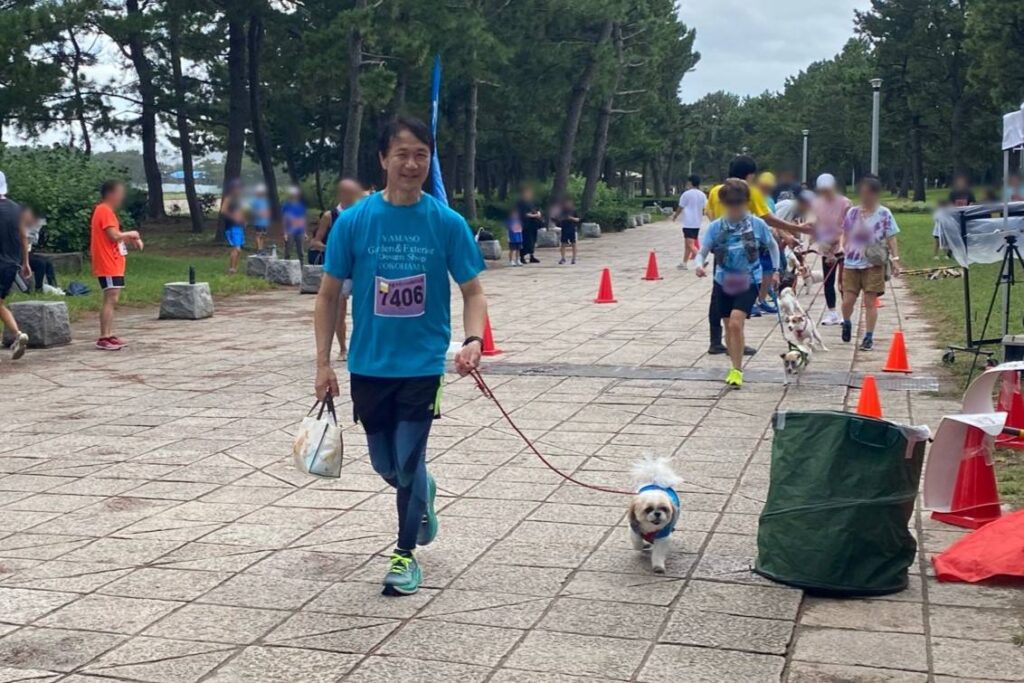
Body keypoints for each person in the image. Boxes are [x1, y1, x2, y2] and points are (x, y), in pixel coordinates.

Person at [314, 117, 488, 597]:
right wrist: (323, 363)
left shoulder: (446, 223)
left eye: (421, 155)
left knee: (408, 465)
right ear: (382, 159)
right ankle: (423, 492)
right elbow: (328, 297)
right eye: (402, 154)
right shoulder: (354, 222)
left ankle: (404, 554)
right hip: (369, 365)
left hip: (422, 366)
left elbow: (473, 291)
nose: (412, 164)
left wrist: (473, 340)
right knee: (384, 465)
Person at [704, 156, 805, 355]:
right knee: (740, 300)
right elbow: (767, 219)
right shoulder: (749, 192)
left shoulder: (716, 191)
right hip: (746, 255)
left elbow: (710, 213)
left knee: (719, 296)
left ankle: (718, 340)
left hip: (722, 250)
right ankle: (736, 341)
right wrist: (795, 229)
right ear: (750, 175)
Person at [695, 178, 779, 388]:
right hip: (723, 280)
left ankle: (738, 369)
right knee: (729, 327)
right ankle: (734, 366)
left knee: (735, 322)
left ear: (745, 203)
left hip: (748, 279)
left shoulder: (757, 225)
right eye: (730, 204)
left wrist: (775, 271)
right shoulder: (716, 227)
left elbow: (773, 247)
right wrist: (699, 264)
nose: (734, 209)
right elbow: (703, 251)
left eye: (738, 204)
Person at [840, 174, 901, 350]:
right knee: (847, 301)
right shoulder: (852, 212)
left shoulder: (884, 214)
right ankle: (846, 322)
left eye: (867, 192)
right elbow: (845, 233)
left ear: (874, 194)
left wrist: (895, 260)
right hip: (851, 263)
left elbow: (892, 237)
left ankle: (868, 336)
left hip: (873, 263)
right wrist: (842, 248)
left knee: (870, 301)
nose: (864, 196)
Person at [311, 178, 363, 360]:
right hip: (341, 271)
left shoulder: (363, 213)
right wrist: (334, 249)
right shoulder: (330, 216)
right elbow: (316, 241)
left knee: (366, 309)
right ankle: (343, 348)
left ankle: (363, 345)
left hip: (361, 269)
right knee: (339, 309)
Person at [90, 180, 143, 351]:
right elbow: (113, 235)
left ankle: (109, 334)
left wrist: (129, 238)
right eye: (120, 193)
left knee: (113, 298)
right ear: (111, 194)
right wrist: (132, 233)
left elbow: (115, 236)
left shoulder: (107, 211)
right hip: (108, 262)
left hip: (113, 261)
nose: (122, 197)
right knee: (110, 297)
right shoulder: (104, 210)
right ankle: (104, 336)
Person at [808, 173, 850, 326]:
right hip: (826, 244)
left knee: (844, 281)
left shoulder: (845, 203)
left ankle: (847, 312)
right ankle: (832, 311)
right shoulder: (817, 203)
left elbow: (849, 224)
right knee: (828, 280)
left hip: (843, 244)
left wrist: (842, 244)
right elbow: (814, 220)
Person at [0, 172, 30, 359]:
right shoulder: (16, 209)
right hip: (11, 264)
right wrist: (25, 263)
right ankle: (18, 335)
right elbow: (24, 236)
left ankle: (18, 334)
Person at [672, 175, 706, 269]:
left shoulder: (686, 194)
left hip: (688, 222)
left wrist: (675, 215)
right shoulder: (702, 195)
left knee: (690, 244)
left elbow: (680, 207)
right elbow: (705, 208)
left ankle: (702, 259)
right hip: (697, 222)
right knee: (687, 244)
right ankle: (684, 263)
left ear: (690, 183)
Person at [21, 208, 58, 292]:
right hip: (17, 255)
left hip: (28, 253)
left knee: (48, 262)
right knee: (40, 264)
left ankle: (53, 287)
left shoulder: (33, 231)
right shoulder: (21, 227)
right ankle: (39, 288)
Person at [220, 180, 245, 274]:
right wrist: (233, 216)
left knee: (239, 250)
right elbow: (223, 211)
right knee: (236, 248)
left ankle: (234, 267)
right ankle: (232, 269)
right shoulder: (229, 198)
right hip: (231, 226)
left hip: (239, 226)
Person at [516, 186, 543, 264]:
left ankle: (532, 256)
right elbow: (523, 214)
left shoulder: (531, 202)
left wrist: (538, 213)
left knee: (533, 240)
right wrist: (534, 215)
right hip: (525, 224)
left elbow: (536, 209)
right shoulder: (520, 202)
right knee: (526, 241)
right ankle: (522, 257)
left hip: (533, 224)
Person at [282, 187, 307, 262]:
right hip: (290, 231)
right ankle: (285, 267)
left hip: (300, 231)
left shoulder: (301, 206)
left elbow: (303, 219)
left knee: (301, 252)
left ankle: (301, 268)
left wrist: (305, 232)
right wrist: (285, 233)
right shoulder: (286, 206)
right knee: (288, 251)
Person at [557, 197, 580, 265]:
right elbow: (558, 218)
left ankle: (574, 258)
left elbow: (578, 219)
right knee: (563, 244)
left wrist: (571, 218)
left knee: (573, 243)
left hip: (572, 228)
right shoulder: (562, 210)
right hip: (564, 228)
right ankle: (563, 258)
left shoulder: (574, 210)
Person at [249, 184, 271, 253]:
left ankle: (261, 248)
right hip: (258, 221)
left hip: (265, 221)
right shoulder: (254, 201)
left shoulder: (266, 201)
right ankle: (259, 249)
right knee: (258, 234)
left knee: (263, 235)